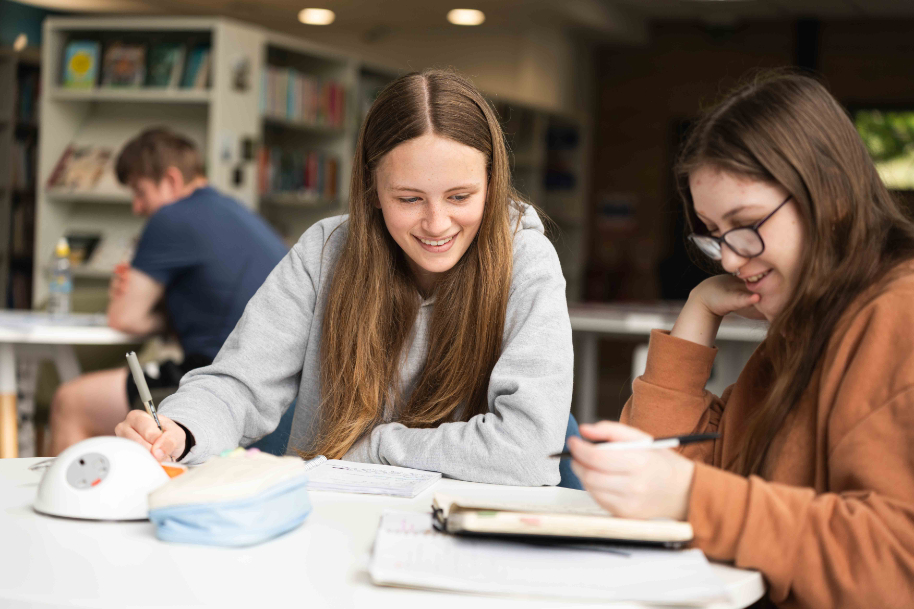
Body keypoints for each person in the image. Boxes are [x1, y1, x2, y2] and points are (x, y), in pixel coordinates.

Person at [115, 70, 574, 485]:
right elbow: (238, 383)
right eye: (409, 199)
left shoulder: (527, 260)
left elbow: (528, 452)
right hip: (334, 523)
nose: (437, 224)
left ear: (492, 185)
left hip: (467, 533)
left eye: (459, 196)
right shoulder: (326, 249)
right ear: (372, 189)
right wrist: (179, 428)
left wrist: (375, 447)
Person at [569, 73, 914, 608]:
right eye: (713, 234)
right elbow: (683, 473)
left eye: (747, 224)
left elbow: (895, 564)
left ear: (832, 196)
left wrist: (689, 497)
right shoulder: (803, 327)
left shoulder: (898, 315)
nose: (730, 259)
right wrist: (699, 311)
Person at [48, 128, 288, 455]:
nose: (137, 206)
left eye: (140, 191)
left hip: (219, 377)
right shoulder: (235, 210)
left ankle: (72, 503)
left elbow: (124, 317)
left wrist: (155, 315)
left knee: (70, 401)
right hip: (274, 384)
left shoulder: (171, 218)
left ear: (172, 181)